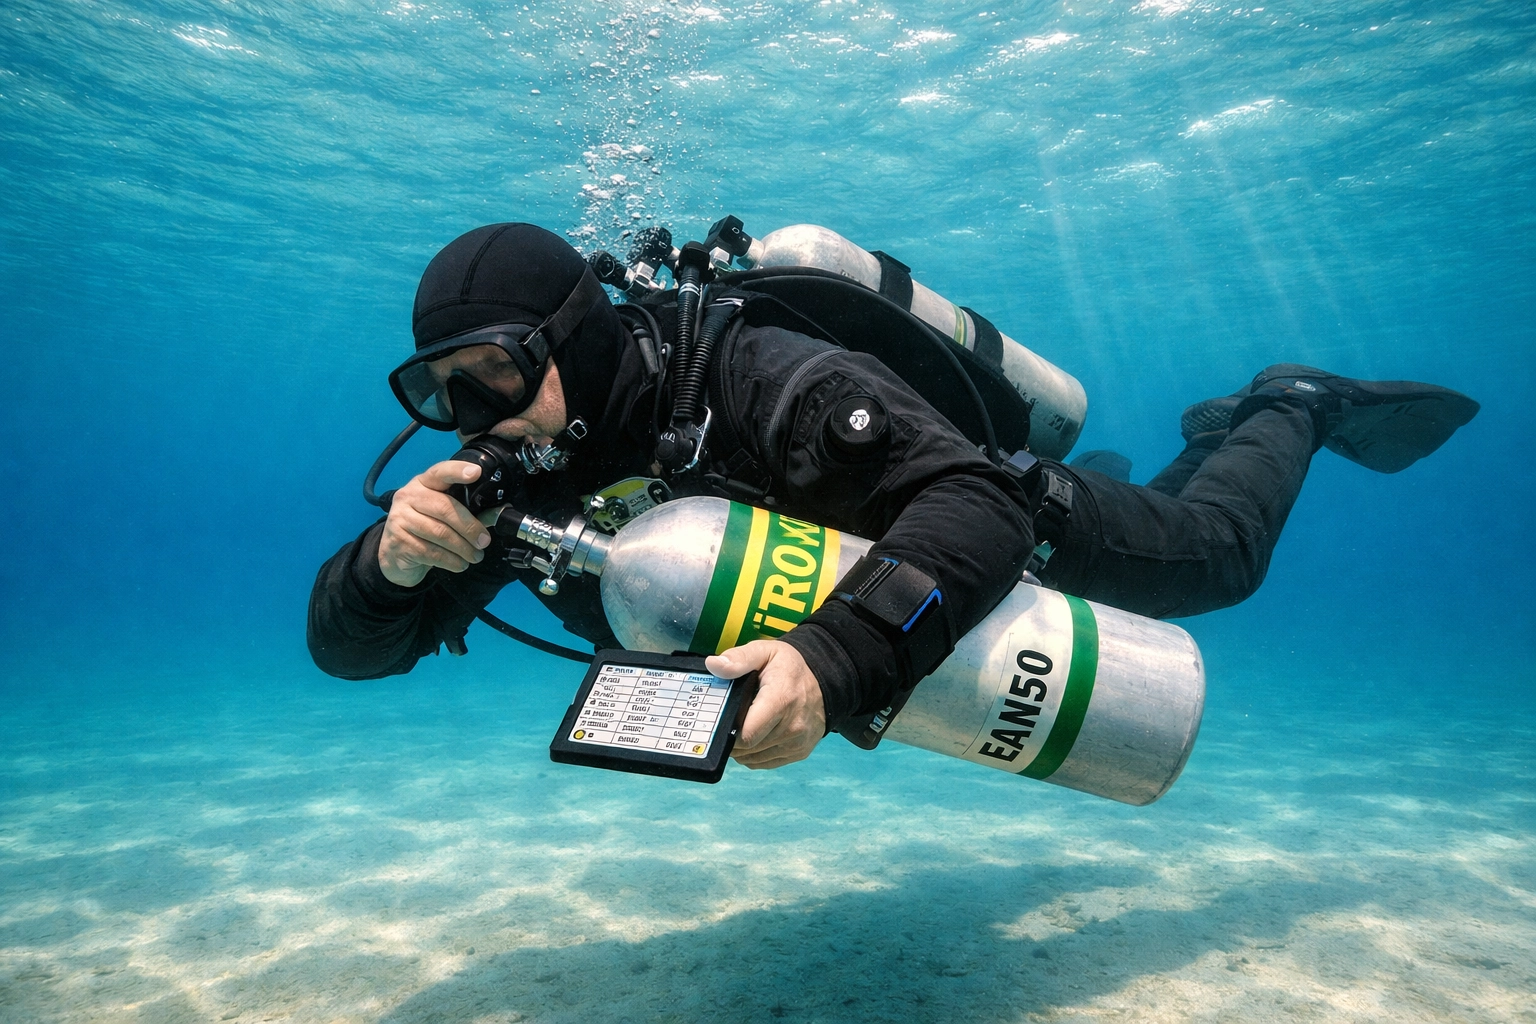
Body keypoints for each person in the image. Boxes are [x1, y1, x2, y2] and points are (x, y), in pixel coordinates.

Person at [308, 223, 1478, 770]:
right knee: (1151, 520)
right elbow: (350, 652)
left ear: (574, 338)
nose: (477, 415)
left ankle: (1289, 404)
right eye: (442, 391)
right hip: (907, 563)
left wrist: (831, 663)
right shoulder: (527, 482)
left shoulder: (755, 374)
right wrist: (386, 568)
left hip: (992, 521)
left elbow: (977, 507)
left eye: (498, 373)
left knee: (1215, 560)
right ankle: (1205, 439)